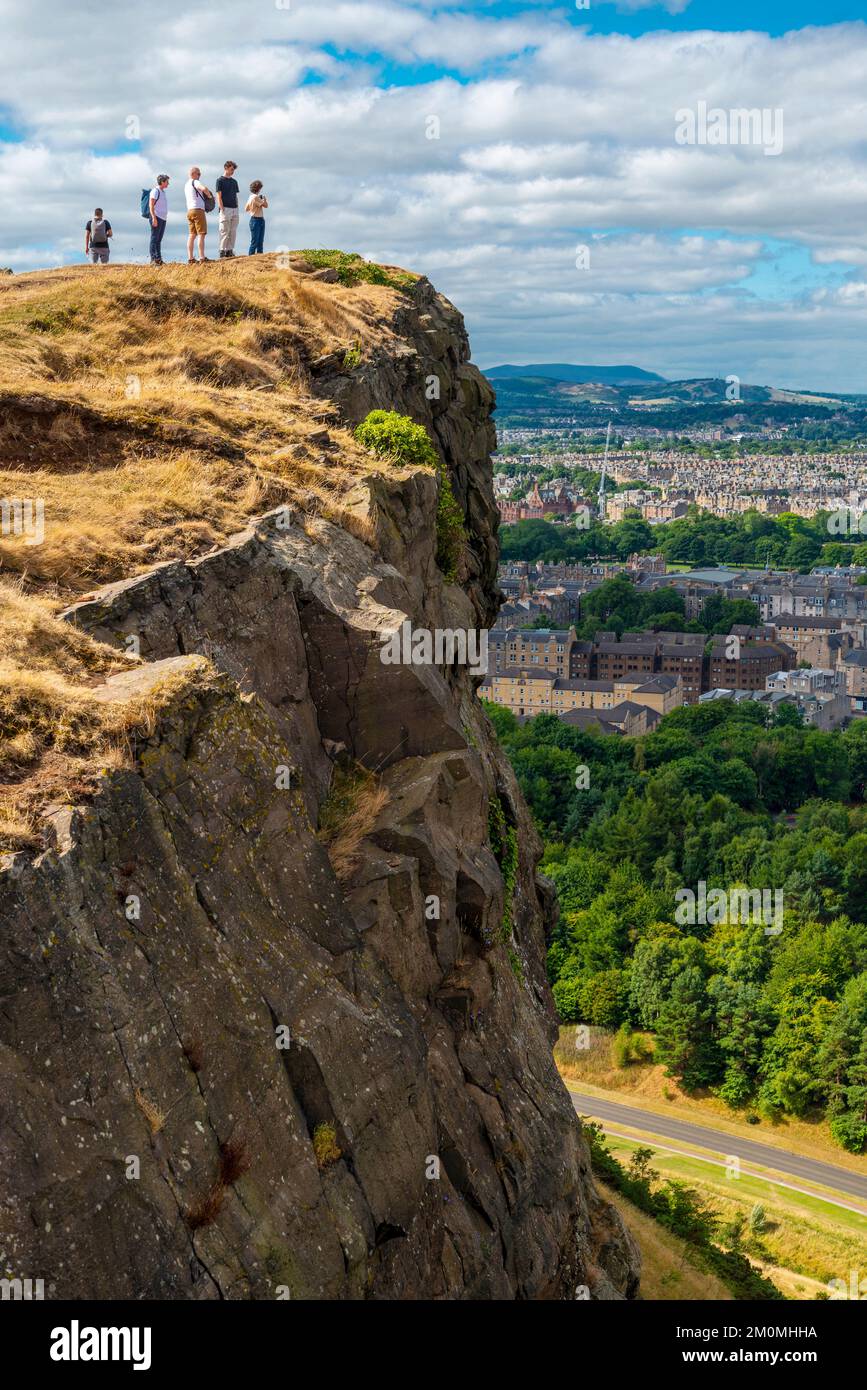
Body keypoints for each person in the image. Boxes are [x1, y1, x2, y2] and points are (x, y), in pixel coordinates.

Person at [184, 166, 213, 264]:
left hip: (189, 211)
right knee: (201, 234)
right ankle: (202, 257)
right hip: (198, 210)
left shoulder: (186, 184)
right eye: (198, 173)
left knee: (192, 235)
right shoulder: (195, 182)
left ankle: (190, 258)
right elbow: (204, 188)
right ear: (193, 174)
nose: (200, 175)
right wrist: (209, 195)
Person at [216, 160, 240, 259]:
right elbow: (218, 196)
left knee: (233, 231)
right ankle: (222, 251)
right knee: (224, 231)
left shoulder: (234, 182)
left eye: (233, 170)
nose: (232, 171)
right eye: (231, 169)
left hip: (234, 208)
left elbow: (236, 196)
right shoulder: (219, 180)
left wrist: (237, 207)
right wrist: (222, 209)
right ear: (226, 168)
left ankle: (230, 250)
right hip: (225, 208)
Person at [148, 175, 170, 266]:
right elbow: (151, 205)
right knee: (154, 238)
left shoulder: (162, 192)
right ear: (162, 182)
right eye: (167, 182)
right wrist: (154, 217)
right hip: (156, 217)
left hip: (163, 218)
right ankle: (153, 259)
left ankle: (158, 259)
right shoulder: (155, 191)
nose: (168, 183)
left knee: (159, 239)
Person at [245, 181, 268, 255]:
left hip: (254, 219)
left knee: (255, 241)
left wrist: (254, 206)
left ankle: (252, 256)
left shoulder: (250, 197)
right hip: (258, 220)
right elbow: (266, 205)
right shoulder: (255, 197)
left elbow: (246, 209)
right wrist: (264, 199)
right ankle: (255, 256)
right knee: (258, 242)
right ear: (258, 189)